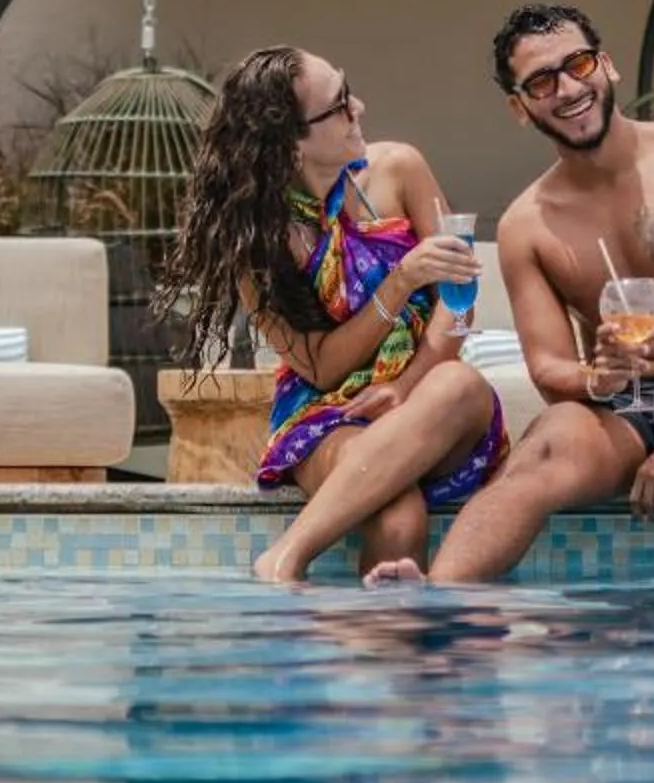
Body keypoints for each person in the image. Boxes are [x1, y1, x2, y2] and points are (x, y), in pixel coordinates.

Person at [369, 4, 654, 584]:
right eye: (542, 81)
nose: (568, 88)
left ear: (608, 66)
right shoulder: (527, 224)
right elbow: (550, 368)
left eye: (578, 64)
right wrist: (596, 379)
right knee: (536, 460)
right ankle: (435, 603)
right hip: (620, 407)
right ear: (519, 107)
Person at [166, 46, 505, 583]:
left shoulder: (399, 170)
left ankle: (287, 555)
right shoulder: (255, 240)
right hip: (327, 412)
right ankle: (379, 653)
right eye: (340, 105)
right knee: (397, 519)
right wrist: (399, 282)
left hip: (430, 401)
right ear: (292, 143)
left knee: (460, 385)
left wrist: (407, 386)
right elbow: (320, 369)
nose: (360, 108)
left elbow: (457, 305)